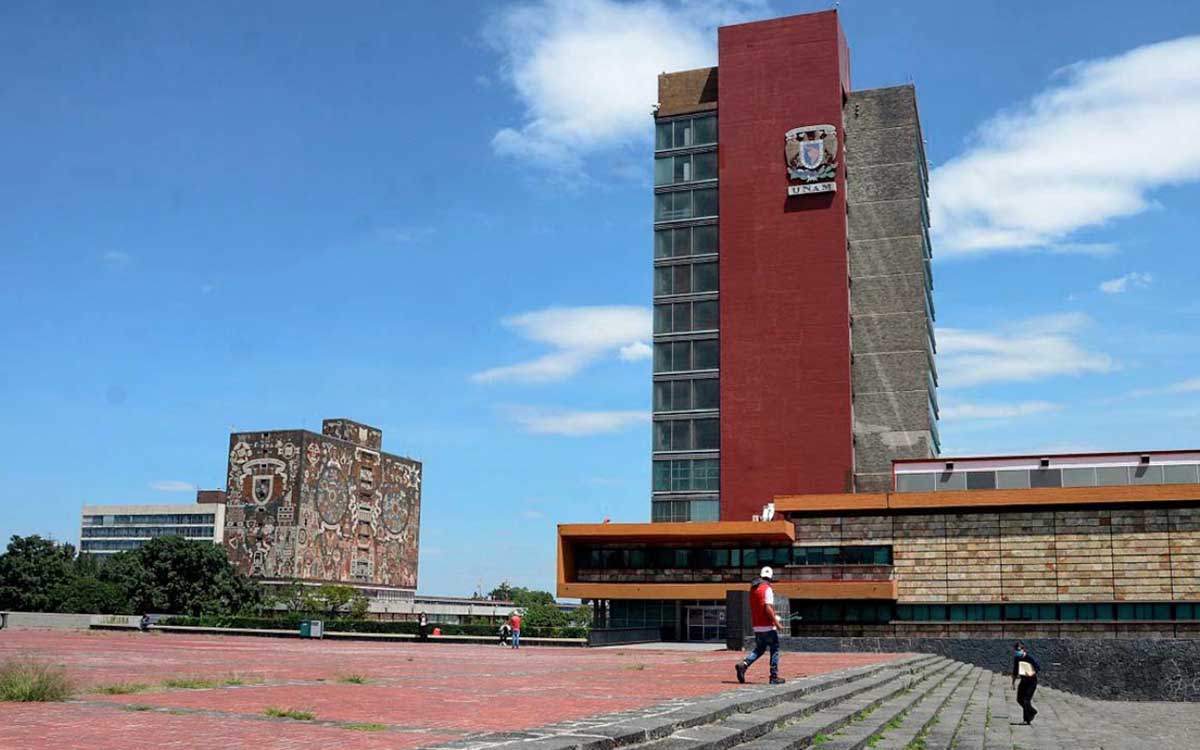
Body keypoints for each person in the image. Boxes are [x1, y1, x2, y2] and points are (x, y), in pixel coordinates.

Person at [735, 566, 785, 685]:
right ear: (771, 577)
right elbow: (767, 607)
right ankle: (773, 676)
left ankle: (744, 664)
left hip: (757, 626)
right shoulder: (767, 589)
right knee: (775, 649)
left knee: (760, 649)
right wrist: (777, 623)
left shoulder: (753, 589)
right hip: (767, 626)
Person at [1012, 641, 1041, 724]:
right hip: (1023, 681)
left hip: (1031, 682)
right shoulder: (1017, 659)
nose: (1017, 651)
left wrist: (1032, 672)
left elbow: (1037, 668)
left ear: (1023, 649)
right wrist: (1013, 682)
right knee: (1019, 699)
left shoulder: (1029, 658)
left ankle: (1026, 719)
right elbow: (1015, 671)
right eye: (1016, 650)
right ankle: (1032, 711)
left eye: (1019, 649)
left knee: (1026, 700)